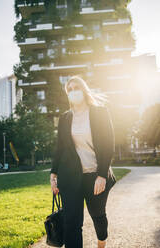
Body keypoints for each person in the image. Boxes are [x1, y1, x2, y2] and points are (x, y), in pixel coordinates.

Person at [50, 75, 116, 248]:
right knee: (71, 223)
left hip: (95, 175)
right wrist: (53, 173)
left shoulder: (100, 112)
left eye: (76, 88)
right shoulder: (65, 118)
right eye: (69, 90)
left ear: (84, 90)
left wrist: (102, 175)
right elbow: (60, 148)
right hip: (70, 177)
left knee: (98, 215)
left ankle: (101, 240)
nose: (73, 92)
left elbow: (109, 145)